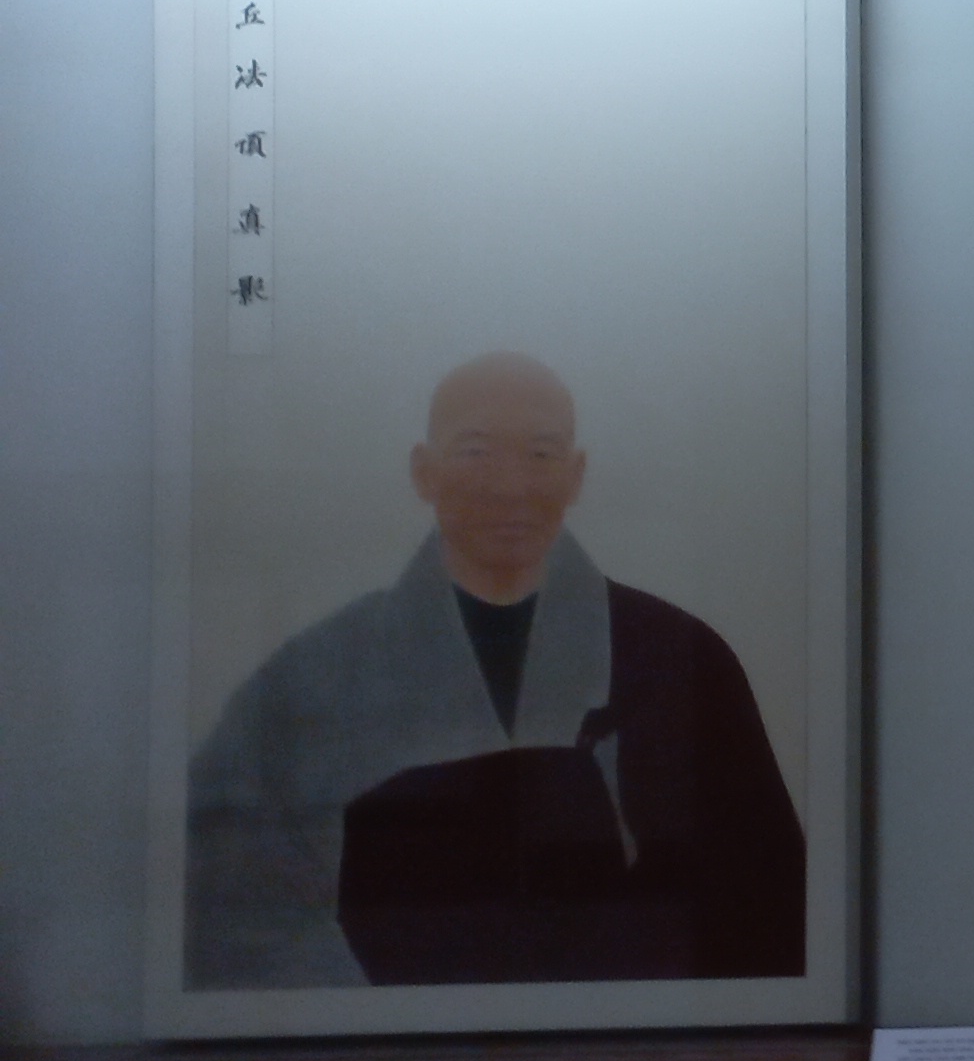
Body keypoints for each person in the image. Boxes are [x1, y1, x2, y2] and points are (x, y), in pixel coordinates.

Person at [185, 353, 803, 988]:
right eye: (475, 452)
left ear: (576, 475)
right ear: (424, 473)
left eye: (540, 454)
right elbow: (230, 906)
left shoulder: (682, 659)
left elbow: (761, 902)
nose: (510, 487)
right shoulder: (315, 676)